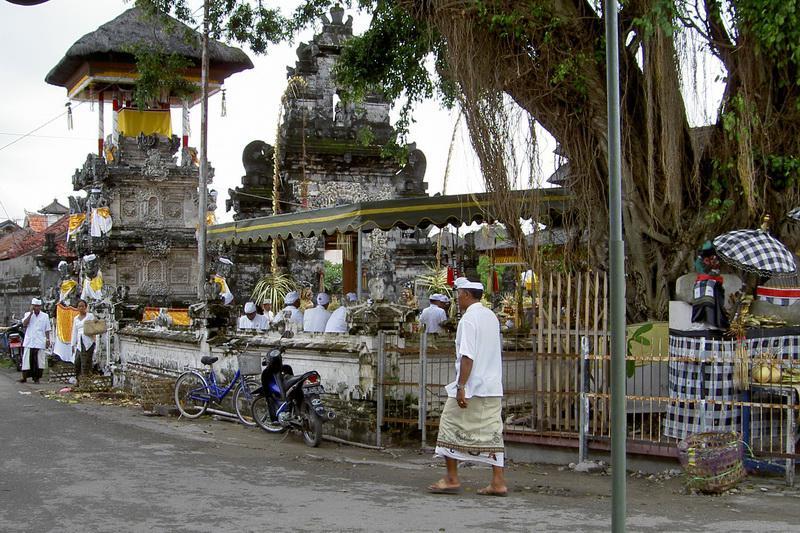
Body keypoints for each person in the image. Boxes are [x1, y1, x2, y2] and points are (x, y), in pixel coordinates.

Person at [428, 277, 506, 496]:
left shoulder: (469, 320)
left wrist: (461, 385)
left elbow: (467, 356)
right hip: (492, 386)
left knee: (448, 425)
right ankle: (498, 481)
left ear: (466, 295)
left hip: (472, 386)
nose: (456, 299)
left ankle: (452, 477)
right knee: (493, 432)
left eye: (458, 294)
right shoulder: (491, 316)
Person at [20, 297, 51, 384]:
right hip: (30, 341)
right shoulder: (28, 314)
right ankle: (25, 377)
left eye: (38, 306)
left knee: (39, 361)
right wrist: (30, 313)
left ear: (40, 307)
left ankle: (36, 378)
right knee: (27, 360)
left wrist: (48, 339)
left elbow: (47, 329)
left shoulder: (45, 316)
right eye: (35, 306)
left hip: (40, 340)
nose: (36, 308)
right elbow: (24, 324)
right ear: (32, 306)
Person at [70, 299, 96, 377]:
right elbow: (74, 331)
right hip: (79, 342)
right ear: (77, 308)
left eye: (82, 306)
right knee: (77, 362)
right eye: (79, 306)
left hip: (88, 341)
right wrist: (72, 344)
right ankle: (78, 379)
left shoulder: (90, 316)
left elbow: (95, 326)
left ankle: (85, 380)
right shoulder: (76, 318)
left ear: (85, 307)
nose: (81, 308)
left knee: (85, 363)